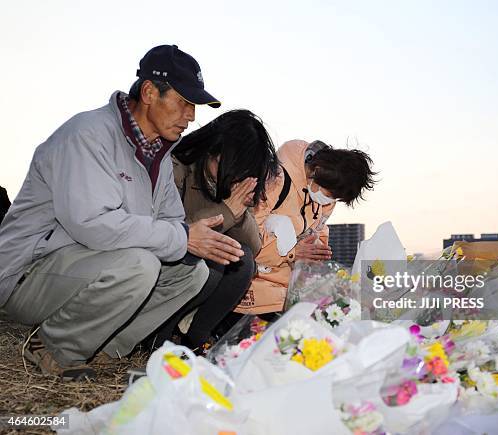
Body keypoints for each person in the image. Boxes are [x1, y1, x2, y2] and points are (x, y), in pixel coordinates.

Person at [0, 45, 244, 380]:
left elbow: (171, 222)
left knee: (193, 272)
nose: (191, 115)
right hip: (25, 277)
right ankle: (54, 346)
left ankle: (105, 348)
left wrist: (189, 236)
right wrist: (184, 236)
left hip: (81, 267)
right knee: (140, 265)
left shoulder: (155, 153)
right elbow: (93, 225)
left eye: (194, 107)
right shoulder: (87, 135)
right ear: (148, 92)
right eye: (184, 102)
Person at [145, 109, 279, 350]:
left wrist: (238, 212)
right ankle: (155, 337)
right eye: (233, 168)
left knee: (242, 259)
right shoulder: (175, 167)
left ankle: (196, 339)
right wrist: (226, 211)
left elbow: (254, 245)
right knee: (213, 263)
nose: (237, 179)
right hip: (162, 261)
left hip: (195, 268)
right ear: (211, 152)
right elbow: (172, 230)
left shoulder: (232, 181)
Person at [235, 139, 376, 314]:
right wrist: (292, 253)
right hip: (256, 288)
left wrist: (317, 252)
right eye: (331, 195)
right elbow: (247, 239)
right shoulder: (276, 180)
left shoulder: (325, 195)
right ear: (317, 171)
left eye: (337, 198)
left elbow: (319, 230)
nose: (331, 201)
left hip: (292, 289)